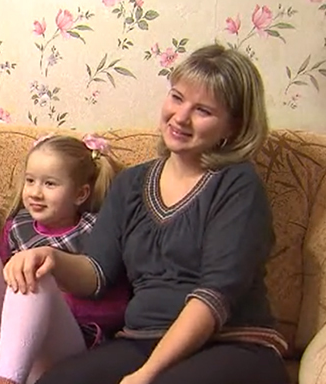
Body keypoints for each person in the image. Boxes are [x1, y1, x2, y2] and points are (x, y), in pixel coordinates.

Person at [34, 44, 290, 384]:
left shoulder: (237, 184)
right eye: (177, 97)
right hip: (142, 341)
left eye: (203, 110)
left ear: (233, 127)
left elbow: (215, 297)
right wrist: (51, 258)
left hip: (233, 344)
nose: (180, 117)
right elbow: (96, 274)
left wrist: (147, 375)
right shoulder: (130, 183)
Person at [0, 133, 131, 384]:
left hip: (60, 359)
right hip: (4, 355)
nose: (35, 193)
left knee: (35, 274)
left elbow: (118, 307)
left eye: (50, 184)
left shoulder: (95, 231)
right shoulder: (16, 227)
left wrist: (58, 298)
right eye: (30, 181)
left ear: (80, 194)